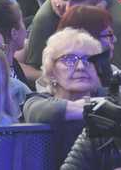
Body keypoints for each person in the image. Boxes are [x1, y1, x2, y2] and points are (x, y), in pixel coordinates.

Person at [23, 29, 102, 165]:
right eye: (69, 59)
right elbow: (42, 112)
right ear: (51, 71)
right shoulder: (37, 101)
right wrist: (95, 108)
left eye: (88, 60)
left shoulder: (107, 96)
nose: (81, 67)